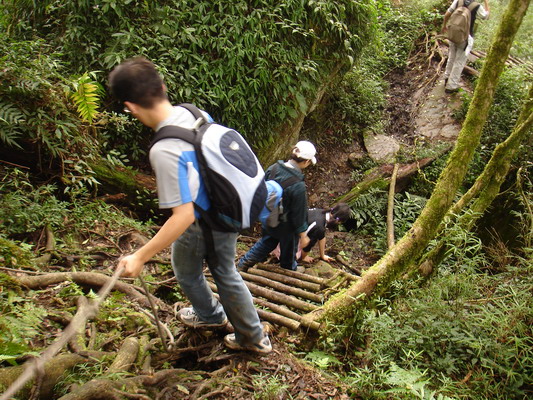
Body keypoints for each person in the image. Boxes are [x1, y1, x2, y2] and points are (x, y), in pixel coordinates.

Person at [108, 57, 271, 354]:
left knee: (189, 270)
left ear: (130, 107)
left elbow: (183, 216)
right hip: (229, 207)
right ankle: (250, 334)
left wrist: (140, 256)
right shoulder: (192, 112)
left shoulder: (164, 149)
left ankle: (220, 321)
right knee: (224, 270)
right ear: (163, 86)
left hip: (206, 222)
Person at [238, 141, 316, 272]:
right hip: (286, 224)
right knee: (289, 249)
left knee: (267, 241)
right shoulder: (298, 185)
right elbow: (299, 214)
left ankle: (244, 263)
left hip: (268, 216)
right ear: (306, 162)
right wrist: (304, 236)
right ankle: (289, 269)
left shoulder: (273, 168)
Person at [441, 0, 490, 93]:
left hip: (453, 34)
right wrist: (486, 3)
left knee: (451, 57)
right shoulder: (477, 6)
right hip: (465, 38)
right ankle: (451, 86)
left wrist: (444, 26)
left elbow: (447, 14)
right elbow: (486, 16)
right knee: (459, 62)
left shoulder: (458, 1)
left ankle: (446, 78)